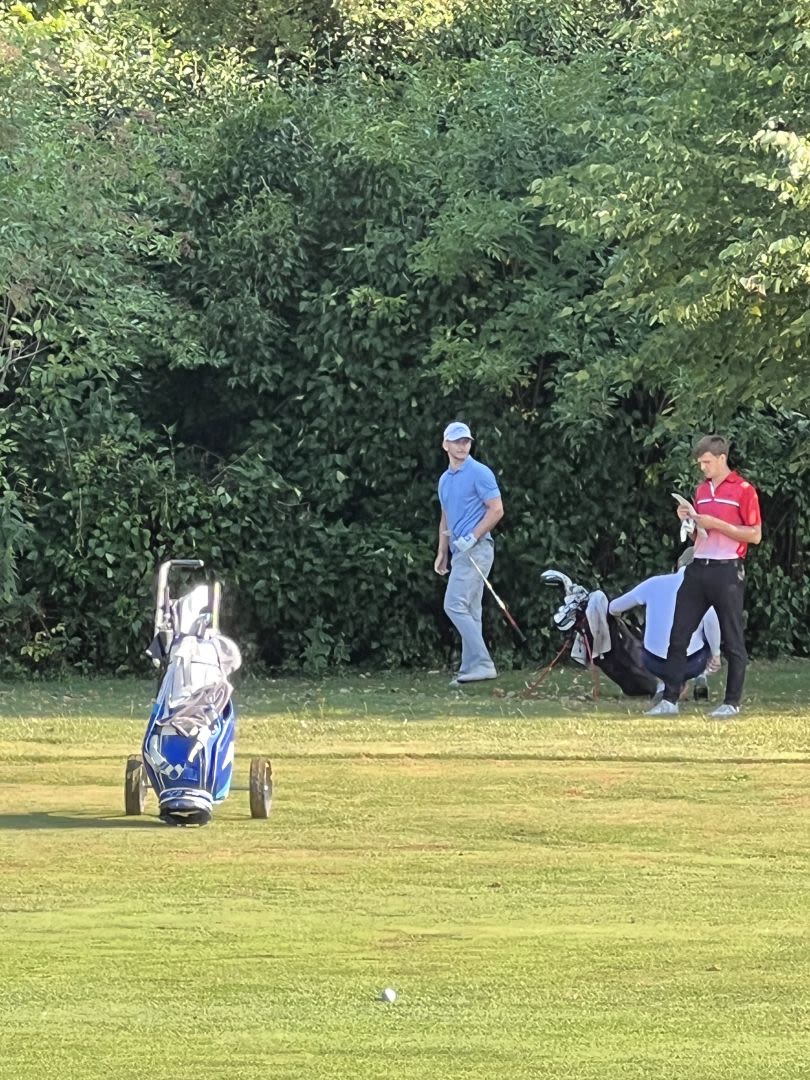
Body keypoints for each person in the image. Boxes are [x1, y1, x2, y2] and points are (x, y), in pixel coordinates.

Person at [647, 434, 762, 718]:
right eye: (700, 463)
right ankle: (670, 700)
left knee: (732, 639)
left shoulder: (744, 490)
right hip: (698, 567)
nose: (703, 468)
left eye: (707, 462)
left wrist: (717, 524)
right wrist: (689, 519)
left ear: (722, 458)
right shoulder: (701, 490)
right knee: (679, 633)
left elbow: (755, 534)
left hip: (727, 569)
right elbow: (701, 533)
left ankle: (731, 702)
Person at [434, 421, 504, 685]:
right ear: (446, 445)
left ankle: (484, 663)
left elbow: (496, 509)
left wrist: (472, 537)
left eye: (466, 441)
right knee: (470, 611)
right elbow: (446, 516)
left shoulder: (479, 472)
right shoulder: (444, 479)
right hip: (459, 551)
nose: (462, 446)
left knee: (453, 605)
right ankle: (469, 670)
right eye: (457, 441)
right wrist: (443, 551)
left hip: (477, 549)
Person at [608, 547, 722, 702]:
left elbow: (614, 607)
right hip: (691, 663)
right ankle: (700, 676)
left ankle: (663, 685)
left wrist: (616, 617)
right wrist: (716, 655)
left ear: (678, 564)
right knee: (706, 638)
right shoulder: (703, 590)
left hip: (654, 662)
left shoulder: (654, 583)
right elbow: (712, 624)